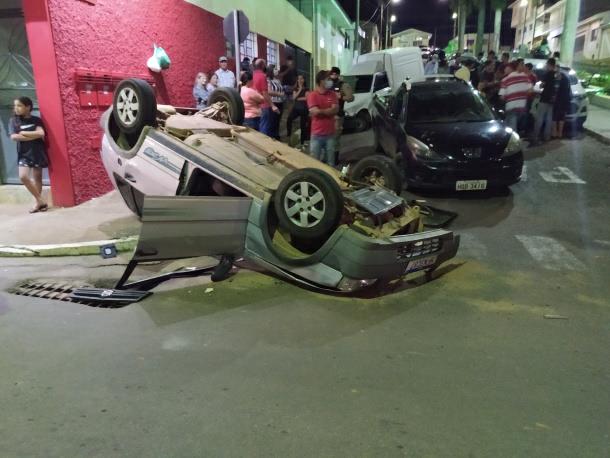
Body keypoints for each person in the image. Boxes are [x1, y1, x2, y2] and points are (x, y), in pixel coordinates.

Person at [10, 96, 49, 213]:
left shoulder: (36, 120)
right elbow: (14, 137)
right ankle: (41, 200)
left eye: (19, 105)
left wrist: (23, 133)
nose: (16, 108)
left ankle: (38, 204)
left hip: (37, 151)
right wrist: (33, 135)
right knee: (23, 176)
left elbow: (41, 133)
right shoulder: (14, 121)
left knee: (38, 178)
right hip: (23, 154)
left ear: (28, 107)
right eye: (15, 106)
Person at [307, 70, 339, 165]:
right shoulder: (312, 95)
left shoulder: (332, 94)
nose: (330, 81)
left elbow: (336, 109)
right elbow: (314, 112)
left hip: (330, 134)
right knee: (315, 163)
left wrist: (321, 111)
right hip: (317, 134)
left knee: (330, 163)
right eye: (328, 79)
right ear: (321, 81)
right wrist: (329, 111)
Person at [498, 60, 532, 132]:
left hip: (511, 106)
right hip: (522, 106)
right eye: (522, 65)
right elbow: (530, 90)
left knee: (511, 127)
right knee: (512, 124)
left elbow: (502, 96)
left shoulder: (505, 80)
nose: (523, 66)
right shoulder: (525, 77)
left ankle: (511, 140)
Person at [329, 66, 353, 165]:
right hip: (326, 115)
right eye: (332, 74)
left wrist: (341, 97)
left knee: (335, 138)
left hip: (337, 116)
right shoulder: (327, 83)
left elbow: (351, 97)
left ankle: (334, 159)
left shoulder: (343, 85)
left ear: (338, 75)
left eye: (335, 74)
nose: (333, 75)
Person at [532, 57, 559, 145]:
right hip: (552, 99)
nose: (546, 66)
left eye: (547, 64)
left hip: (544, 98)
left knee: (539, 118)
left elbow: (542, 85)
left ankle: (535, 137)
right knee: (549, 119)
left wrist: (540, 86)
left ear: (549, 64)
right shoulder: (557, 75)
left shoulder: (547, 74)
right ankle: (547, 136)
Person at [253, 58, 280, 137]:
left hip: (254, 105)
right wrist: (272, 105)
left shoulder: (252, 75)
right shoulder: (262, 76)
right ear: (263, 66)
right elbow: (265, 93)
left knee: (257, 127)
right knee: (264, 128)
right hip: (264, 105)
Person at [286, 74, 309, 148]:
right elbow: (294, 97)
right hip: (296, 108)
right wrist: (300, 89)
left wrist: (299, 98)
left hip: (304, 109)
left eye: (301, 79)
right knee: (289, 119)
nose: (300, 80)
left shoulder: (307, 89)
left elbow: (307, 98)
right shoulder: (296, 89)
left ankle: (302, 142)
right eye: (298, 79)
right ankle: (288, 136)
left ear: (304, 80)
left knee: (303, 126)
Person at [266, 64, 285, 140]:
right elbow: (269, 91)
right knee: (272, 121)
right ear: (271, 70)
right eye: (275, 69)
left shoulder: (277, 80)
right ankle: (272, 136)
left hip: (280, 102)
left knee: (278, 121)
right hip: (273, 102)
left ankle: (276, 135)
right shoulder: (268, 80)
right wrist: (279, 94)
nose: (277, 70)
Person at [552, 66, 571, 139]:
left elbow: (555, 90)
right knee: (561, 118)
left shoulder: (557, 79)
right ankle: (560, 134)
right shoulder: (566, 79)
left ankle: (554, 133)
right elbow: (568, 91)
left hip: (557, 101)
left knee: (555, 117)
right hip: (565, 101)